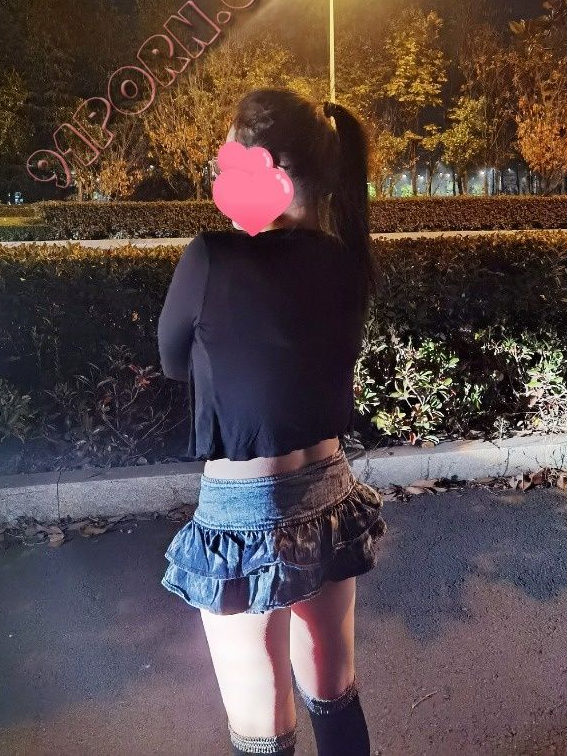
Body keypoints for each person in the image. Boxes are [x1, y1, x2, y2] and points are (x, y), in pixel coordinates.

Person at [157, 88, 388, 756]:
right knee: (334, 696)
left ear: (269, 170)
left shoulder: (212, 257)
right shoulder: (347, 262)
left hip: (243, 514)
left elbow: (173, 360)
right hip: (331, 494)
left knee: (264, 730)